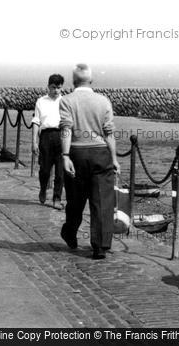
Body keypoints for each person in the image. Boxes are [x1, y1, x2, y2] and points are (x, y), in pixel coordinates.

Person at [59, 64, 120, 259]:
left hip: (76, 152)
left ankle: (70, 231)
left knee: (75, 200)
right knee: (103, 200)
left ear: (73, 81)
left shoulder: (66, 101)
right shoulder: (103, 101)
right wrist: (115, 158)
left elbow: (66, 129)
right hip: (101, 153)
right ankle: (100, 246)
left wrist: (65, 155)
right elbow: (109, 133)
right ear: (91, 81)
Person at [32, 74, 65, 209]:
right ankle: (43, 188)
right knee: (44, 169)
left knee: (60, 171)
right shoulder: (41, 101)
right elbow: (36, 122)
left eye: (58, 88)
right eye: (53, 87)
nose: (56, 90)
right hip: (45, 136)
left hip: (61, 136)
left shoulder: (65, 102)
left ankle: (56, 199)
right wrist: (34, 142)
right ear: (48, 87)